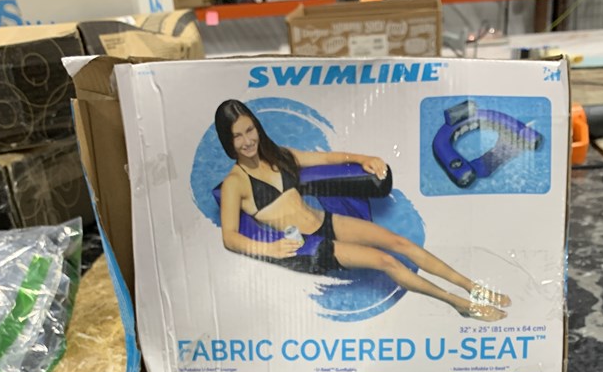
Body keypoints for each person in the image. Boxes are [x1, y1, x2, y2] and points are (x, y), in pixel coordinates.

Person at [215, 99, 509, 320]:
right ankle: (459, 303)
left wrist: (364, 158)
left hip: (325, 221)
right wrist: (270, 249)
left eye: (249, 130)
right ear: (228, 141)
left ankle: (472, 286)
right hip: (308, 245)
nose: (247, 141)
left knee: (400, 243)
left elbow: (328, 158)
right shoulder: (234, 183)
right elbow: (230, 237)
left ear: (257, 127)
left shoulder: (279, 156)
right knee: (387, 261)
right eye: (237, 136)